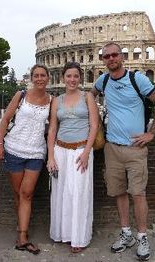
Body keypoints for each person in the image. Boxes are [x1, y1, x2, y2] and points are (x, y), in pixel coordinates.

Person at [91, 42, 155, 261]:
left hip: (136, 148)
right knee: (119, 193)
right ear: (103, 60)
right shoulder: (103, 80)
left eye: (115, 55)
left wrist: (151, 133)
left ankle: (142, 236)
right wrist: (91, 120)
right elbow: (90, 96)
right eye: (106, 56)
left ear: (122, 57)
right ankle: (126, 233)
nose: (111, 59)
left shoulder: (138, 79)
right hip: (112, 147)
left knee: (138, 193)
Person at [0, 64, 52, 255]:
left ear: (48, 78)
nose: (39, 79)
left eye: (43, 75)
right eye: (36, 75)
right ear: (31, 78)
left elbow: (52, 128)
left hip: (36, 152)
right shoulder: (21, 95)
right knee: (18, 193)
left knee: (27, 193)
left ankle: (23, 237)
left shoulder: (52, 101)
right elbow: (5, 120)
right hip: (14, 149)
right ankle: (21, 230)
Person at [47, 62, 98, 253]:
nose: (72, 80)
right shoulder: (57, 100)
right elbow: (52, 128)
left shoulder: (88, 98)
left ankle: (79, 238)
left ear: (80, 78)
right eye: (69, 76)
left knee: (80, 193)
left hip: (80, 151)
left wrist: (86, 152)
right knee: (61, 194)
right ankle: (63, 234)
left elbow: (94, 125)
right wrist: (50, 156)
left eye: (76, 76)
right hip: (60, 150)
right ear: (63, 78)